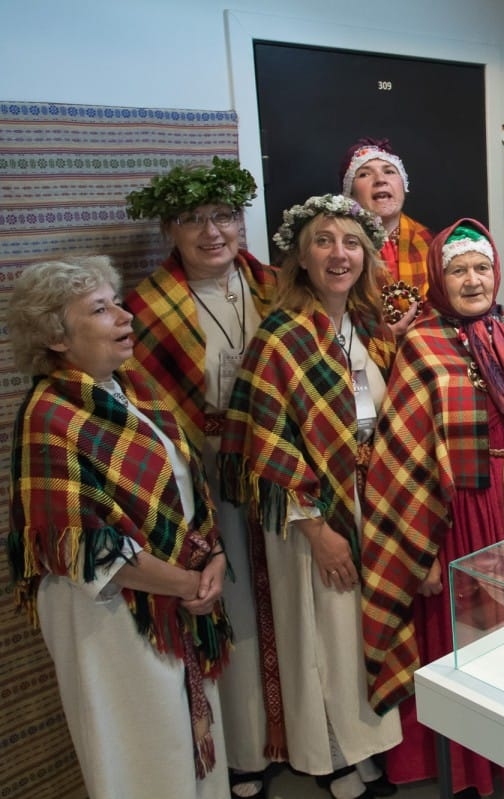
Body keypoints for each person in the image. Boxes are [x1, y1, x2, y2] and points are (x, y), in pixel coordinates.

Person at [360, 220, 504, 797]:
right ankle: (476, 767)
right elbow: (402, 456)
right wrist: (420, 553)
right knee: (471, 638)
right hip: (459, 518)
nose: (473, 280)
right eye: (459, 270)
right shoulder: (421, 346)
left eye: (482, 268)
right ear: (438, 277)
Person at [7, 256, 232, 799]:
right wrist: (186, 584)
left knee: (189, 748)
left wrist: (214, 563)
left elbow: (187, 488)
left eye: (118, 303)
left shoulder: (135, 388)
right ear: (56, 336)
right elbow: (81, 544)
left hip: (176, 597)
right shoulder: (49, 416)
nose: (125, 317)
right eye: (101, 310)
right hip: (111, 619)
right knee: (143, 751)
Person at [220, 195, 400, 799]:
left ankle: (361, 742)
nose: (339, 254)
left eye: (351, 242)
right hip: (312, 514)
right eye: (324, 241)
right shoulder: (281, 335)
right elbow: (267, 446)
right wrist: (317, 529)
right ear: (300, 257)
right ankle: (328, 757)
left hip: (367, 502)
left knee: (356, 634)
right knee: (319, 636)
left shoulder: (368, 326)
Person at [125, 157, 279, 798]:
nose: (212, 232)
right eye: (193, 219)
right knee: (236, 606)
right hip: (203, 474)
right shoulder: (145, 308)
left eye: (223, 216)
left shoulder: (273, 287)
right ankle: (246, 749)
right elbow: (140, 403)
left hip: (277, 467)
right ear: (170, 230)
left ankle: (302, 735)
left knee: (289, 599)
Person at [342, 137, 429, 335]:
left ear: (403, 185)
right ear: (351, 194)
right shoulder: (339, 250)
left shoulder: (434, 244)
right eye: (364, 174)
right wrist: (381, 337)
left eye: (389, 171)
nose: (380, 179)